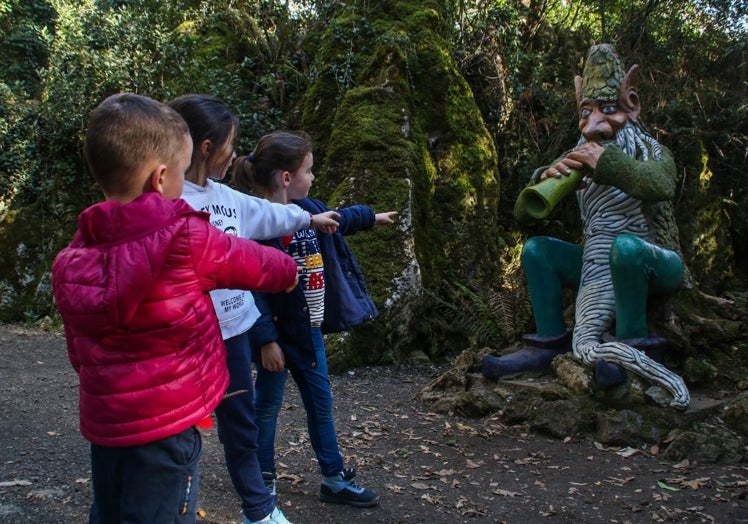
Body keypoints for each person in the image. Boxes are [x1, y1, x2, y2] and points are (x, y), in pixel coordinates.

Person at [51, 92, 299, 524]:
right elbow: (251, 261)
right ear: (160, 178)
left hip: (108, 424)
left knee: (109, 510)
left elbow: (78, 346)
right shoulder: (184, 235)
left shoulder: (75, 253)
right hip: (168, 422)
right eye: (183, 174)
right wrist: (288, 269)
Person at [482, 44, 690, 409]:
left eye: (607, 110)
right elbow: (525, 215)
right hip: (597, 261)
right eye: (585, 112)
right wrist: (545, 177)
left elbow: (662, 185)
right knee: (537, 250)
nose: (593, 125)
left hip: (653, 259)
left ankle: (629, 344)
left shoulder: (651, 150)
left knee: (624, 249)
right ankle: (549, 342)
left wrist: (608, 164)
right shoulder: (577, 155)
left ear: (632, 104)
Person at [168, 94, 340, 524]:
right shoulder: (172, 201)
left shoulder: (224, 195)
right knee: (181, 427)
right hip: (191, 337)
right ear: (207, 148)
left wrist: (309, 219)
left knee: (241, 423)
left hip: (235, 332)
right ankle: (173, 505)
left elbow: (267, 214)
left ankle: (260, 510)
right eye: (229, 144)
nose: (234, 154)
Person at [231, 131, 396, 507]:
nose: (313, 176)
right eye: (309, 169)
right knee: (267, 406)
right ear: (286, 177)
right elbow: (251, 290)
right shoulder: (256, 227)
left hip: (311, 334)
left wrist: (373, 217)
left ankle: (334, 478)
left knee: (321, 405)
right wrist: (267, 341)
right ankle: (264, 480)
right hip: (277, 338)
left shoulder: (312, 209)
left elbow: (341, 219)